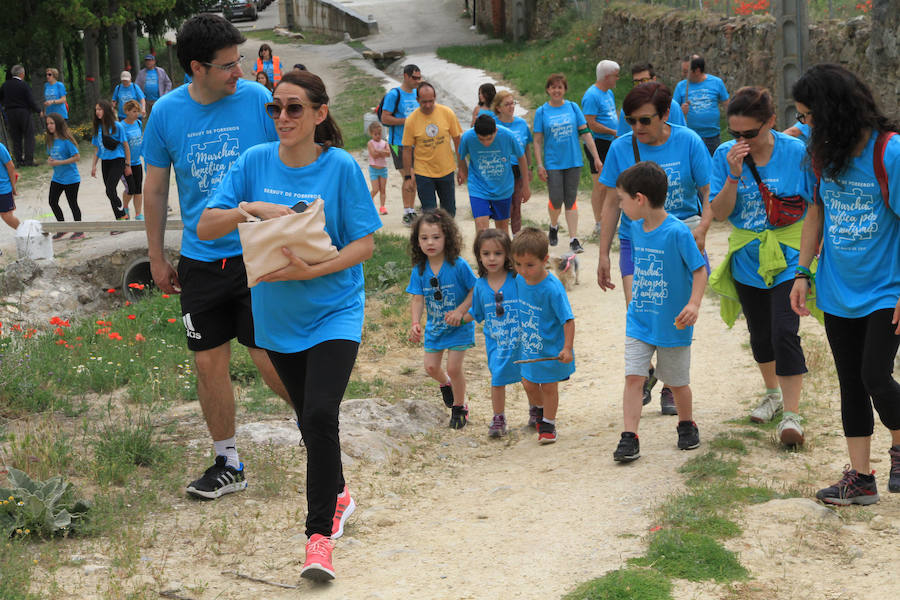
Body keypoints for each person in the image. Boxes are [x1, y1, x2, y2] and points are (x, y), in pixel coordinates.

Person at [197, 69, 380, 582]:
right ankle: (339, 491)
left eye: (294, 108)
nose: (282, 117)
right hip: (277, 318)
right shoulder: (254, 162)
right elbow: (205, 224)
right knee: (309, 418)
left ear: (320, 114)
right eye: (275, 107)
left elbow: (364, 244)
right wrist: (249, 208)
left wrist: (312, 270)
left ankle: (317, 539)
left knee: (320, 415)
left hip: (334, 310)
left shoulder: (341, 167)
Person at [142, 13, 291, 501]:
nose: (239, 72)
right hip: (201, 259)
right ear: (195, 68)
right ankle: (228, 460)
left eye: (240, 60)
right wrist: (157, 256)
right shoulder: (165, 113)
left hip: (258, 251)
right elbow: (157, 187)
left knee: (268, 359)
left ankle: (319, 432)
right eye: (228, 65)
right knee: (208, 363)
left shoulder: (255, 101)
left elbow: (291, 158)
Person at [790, 63, 900, 505]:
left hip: (886, 289)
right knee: (851, 382)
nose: (803, 124)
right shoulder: (819, 152)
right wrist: (802, 273)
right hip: (837, 288)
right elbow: (814, 211)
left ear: (833, 110)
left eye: (809, 115)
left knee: (875, 374)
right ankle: (861, 478)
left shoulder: (889, 152)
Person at [597, 82, 712, 415]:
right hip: (638, 242)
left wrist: (703, 229)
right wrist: (604, 253)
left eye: (645, 120)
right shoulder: (621, 148)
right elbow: (610, 205)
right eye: (631, 120)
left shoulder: (688, 141)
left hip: (682, 239)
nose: (637, 128)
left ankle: (670, 384)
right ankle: (645, 371)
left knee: (675, 314)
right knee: (640, 309)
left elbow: (708, 192)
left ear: (665, 115)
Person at [708, 87, 811, 446]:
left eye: (750, 133)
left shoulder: (796, 152)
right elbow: (720, 214)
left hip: (789, 253)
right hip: (748, 255)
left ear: (770, 122)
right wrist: (734, 174)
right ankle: (772, 393)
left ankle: (792, 416)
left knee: (785, 330)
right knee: (760, 333)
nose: (741, 140)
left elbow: (815, 207)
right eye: (734, 133)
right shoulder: (724, 155)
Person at [612, 161, 707, 462]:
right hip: (640, 320)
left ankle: (686, 423)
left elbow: (700, 269)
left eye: (622, 199)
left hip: (673, 323)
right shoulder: (635, 229)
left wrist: (693, 303)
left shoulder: (678, 232)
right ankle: (630, 436)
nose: (620, 205)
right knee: (633, 378)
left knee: (677, 382)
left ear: (639, 199)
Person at [407, 209, 476, 429]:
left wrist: (460, 312)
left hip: (459, 327)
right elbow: (417, 300)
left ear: (447, 237)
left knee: (455, 368)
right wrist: (415, 323)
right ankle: (446, 384)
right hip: (435, 328)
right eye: (424, 238)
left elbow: (475, 291)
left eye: (436, 237)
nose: (430, 242)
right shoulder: (419, 270)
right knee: (430, 368)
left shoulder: (458, 265)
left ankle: (459, 407)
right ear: (417, 241)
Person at [511, 226, 575, 444]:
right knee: (528, 382)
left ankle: (548, 422)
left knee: (548, 386)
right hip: (529, 346)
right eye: (518, 264)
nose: (523, 270)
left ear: (544, 260)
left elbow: (568, 320)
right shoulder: (519, 280)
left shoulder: (552, 288)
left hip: (551, 349)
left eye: (530, 265)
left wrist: (567, 347)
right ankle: (538, 410)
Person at [533, 73, 602, 254]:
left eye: (560, 87)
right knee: (556, 200)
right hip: (553, 163)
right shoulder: (541, 112)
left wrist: (596, 156)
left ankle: (573, 239)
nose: (557, 90)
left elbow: (586, 133)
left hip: (573, 161)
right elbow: (538, 141)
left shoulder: (573, 107)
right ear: (548, 89)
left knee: (570, 200)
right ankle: (554, 225)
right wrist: (540, 165)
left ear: (564, 90)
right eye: (553, 87)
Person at [464, 229, 521, 437]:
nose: (491, 258)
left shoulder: (516, 279)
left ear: (507, 254)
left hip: (520, 340)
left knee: (530, 378)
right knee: (497, 377)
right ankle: (498, 417)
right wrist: (458, 318)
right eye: (486, 253)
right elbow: (476, 312)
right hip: (496, 342)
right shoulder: (480, 286)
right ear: (479, 256)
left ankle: (537, 410)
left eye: (497, 253)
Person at [457, 114, 528, 234]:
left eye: (489, 138)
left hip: (503, 188)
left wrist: (526, 186)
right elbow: (460, 154)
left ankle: (502, 252)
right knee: (482, 229)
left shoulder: (507, 135)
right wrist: (463, 170)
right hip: (478, 188)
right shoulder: (468, 137)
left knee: (502, 231)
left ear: (496, 131)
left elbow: (521, 157)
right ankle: (482, 252)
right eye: (481, 139)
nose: (485, 143)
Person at [402, 82, 463, 217]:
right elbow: (406, 149)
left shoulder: (447, 113)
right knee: (430, 214)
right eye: (424, 102)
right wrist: (407, 176)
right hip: (423, 173)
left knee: (449, 212)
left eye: (431, 101)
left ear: (435, 98)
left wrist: (461, 168)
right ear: (417, 100)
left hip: (446, 170)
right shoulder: (411, 120)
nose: (428, 105)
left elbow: (457, 140)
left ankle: (447, 238)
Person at [581, 59, 619, 237]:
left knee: (612, 182)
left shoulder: (608, 92)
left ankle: (608, 219)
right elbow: (590, 123)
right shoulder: (591, 95)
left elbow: (611, 114)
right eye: (615, 76)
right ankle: (598, 222)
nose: (617, 79)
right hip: (598, 143)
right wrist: (612, 131)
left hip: (611, 141)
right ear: (606, 76)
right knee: (600, 184)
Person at [380, 64, 421, 225]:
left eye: (419, 77)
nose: (418, 81)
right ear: (405, 76)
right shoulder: (394, 95)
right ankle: (407, 212)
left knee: (414, 177)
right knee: (408, 176)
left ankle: (411, 210)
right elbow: (385, 119)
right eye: (415, 78)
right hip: (398, 143)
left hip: (415, 143)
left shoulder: (418, 94)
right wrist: (407, 121)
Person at [492, 90, 532, 234]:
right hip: (500, 172)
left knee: (517, 206)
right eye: (507, 104)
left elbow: (526, 147)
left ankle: (517, 239)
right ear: (498, 107)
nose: (511, 107)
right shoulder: (493, 124)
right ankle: (503, 238)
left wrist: (529, 168)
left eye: (512, 103)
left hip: (518, 170)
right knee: (505, 208)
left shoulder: (521, 124)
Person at [673, 55, 729, 155]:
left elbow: (727, 105)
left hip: (712, 137)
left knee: (713, 166)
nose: (683, 74)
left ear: (697, 71)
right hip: (689, 136)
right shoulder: (681, 86)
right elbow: (672, 111)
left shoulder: (716, 83)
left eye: (686, 71)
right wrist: (681, 111)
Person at [615, 63, 685, 137]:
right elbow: (622, 137)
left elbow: (681, 136)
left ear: (654, 80)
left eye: (644, 80)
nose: (640, 85)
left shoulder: (671, 106)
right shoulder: (628, 108)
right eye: (636, 82)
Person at [90, 99, 130, 222]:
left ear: (106, 110)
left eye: (100, 109)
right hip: (105, 162)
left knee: (110, 189)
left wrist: (127, 164)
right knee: (109, 192)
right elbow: (97, 149)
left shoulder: (117, 126)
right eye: (96, 109)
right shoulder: (98, 128)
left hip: (117, 160)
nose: (97, 112)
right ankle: (121, 217)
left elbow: (125, 145)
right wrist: (94, 166)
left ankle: (121, 213)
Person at [44, 113, 83, 240]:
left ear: (58, 124)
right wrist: (50, 160)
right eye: (48, 123)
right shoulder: (49, 141)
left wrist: (59, 162)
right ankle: (62, 228)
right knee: (52, 202)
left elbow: (77, 157)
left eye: (52, 123)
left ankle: (79, 231)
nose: (49, 126)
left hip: (71, 178)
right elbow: (51, 156)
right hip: (57, 178)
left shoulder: (67, 140)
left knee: (72, 203)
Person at [0, 65, 41, 167]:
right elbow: (30, 100)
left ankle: (19, 161)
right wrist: (38, 110)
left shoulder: (5, 85)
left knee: (16, 137)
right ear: (22, 74)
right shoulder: (23, 85)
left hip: (10, 113)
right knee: (29, 135)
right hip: (23, 112)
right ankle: (28, 160)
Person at [120, 100, 145, 220]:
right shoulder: (121, 126)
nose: (137, 114)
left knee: (138, 189)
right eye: (134, 111)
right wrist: (126, 164)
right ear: (127, 111)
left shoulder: (139, 123)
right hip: (126, 164)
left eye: (138, 111)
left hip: (137, 162)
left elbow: (141, 141)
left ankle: (138, 214)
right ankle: (125, 207)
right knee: (130, 189)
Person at [366, 121, 389, 214]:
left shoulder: (384, 142)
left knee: (383, 189)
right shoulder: (370, 143)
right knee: (375, 189)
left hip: (383, 169)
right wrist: (382, 152)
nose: (378, 136)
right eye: (375, 134)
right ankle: (368, 202)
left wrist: (379, 151)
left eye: (379, 134)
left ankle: (382, 207)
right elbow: (374, 155)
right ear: (371, 134)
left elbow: (388, 153)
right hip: (374, 169)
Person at [0, 141, 20, 231]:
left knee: (7, 216)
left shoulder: (0, 147)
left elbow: (10, 166)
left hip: (2, 188)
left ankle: (27, 233)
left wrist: (13, 187)